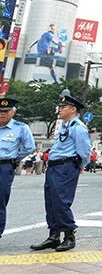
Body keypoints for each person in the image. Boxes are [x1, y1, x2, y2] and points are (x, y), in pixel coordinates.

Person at [31, 93, 90, 252]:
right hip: (54, 166)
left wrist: (81, 166)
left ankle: (69, 235)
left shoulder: (78, 128)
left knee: (61, 201)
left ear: (73, 109)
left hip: (66, 166)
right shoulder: (64, 126)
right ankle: (54, 236)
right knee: (50, 200)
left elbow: (84, 151)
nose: (60, 109)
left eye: (63, 107)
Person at [0, 98, 35, 240]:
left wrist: (14, 159)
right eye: (0, 111)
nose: (2, 114)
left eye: (6, 111)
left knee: (0, 200)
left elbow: (29, 147)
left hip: (4, 167)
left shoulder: (21, 128)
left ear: (13, 112)